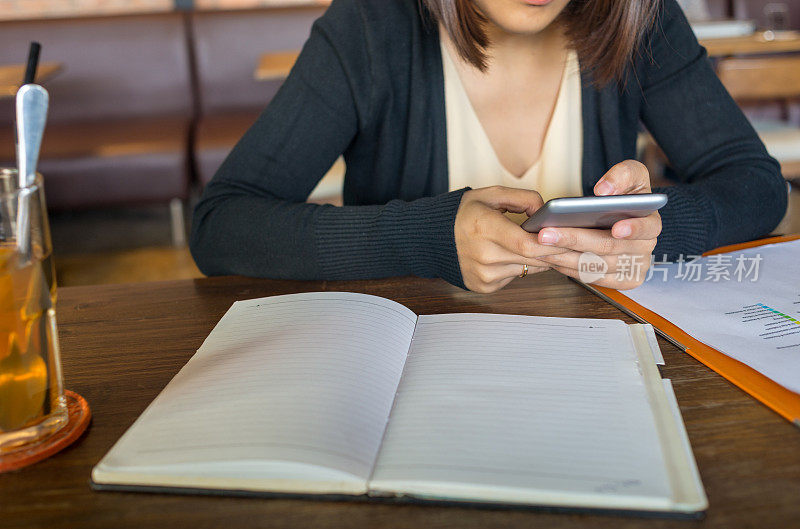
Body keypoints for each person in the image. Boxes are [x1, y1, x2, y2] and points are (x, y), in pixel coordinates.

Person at [189, 0, 787, 293]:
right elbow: (223, 224)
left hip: (598, 364)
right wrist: (425, 237)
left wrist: (657, 226)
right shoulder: (372, 26)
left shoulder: (638, 18)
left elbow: (756, 185)